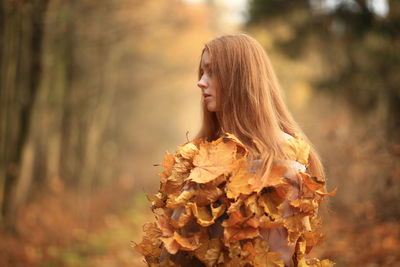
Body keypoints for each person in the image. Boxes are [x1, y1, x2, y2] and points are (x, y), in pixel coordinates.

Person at [194, 33, 326, 267]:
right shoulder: (204, 154)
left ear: (239, 79)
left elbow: (276, 259)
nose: (201, 82)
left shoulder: (280, 164)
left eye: (212, 71)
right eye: (202, 72)